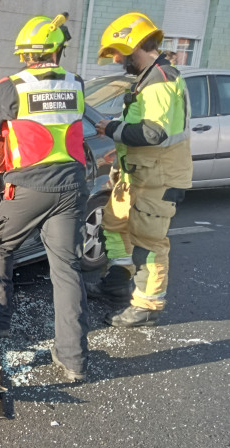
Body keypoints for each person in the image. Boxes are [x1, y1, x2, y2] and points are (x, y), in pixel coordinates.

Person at [0, 13, 89, 382]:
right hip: (71, 187)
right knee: (66, 271)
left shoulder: (12, 88)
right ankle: (74, 360)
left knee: (0, 247)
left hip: (30, 189)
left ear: (26, 53)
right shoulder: (76, 83)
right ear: (58, 50)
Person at [87, 13, 192, 327]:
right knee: (114, 223)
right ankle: (118, 282)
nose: (117, 59)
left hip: (158, 178)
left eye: (119, 52)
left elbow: (152, 132)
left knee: (148, 242)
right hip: (137, 174)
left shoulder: (159, 81)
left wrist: (112, 129)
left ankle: (146, 306)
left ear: (135, 46)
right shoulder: (151, 77)